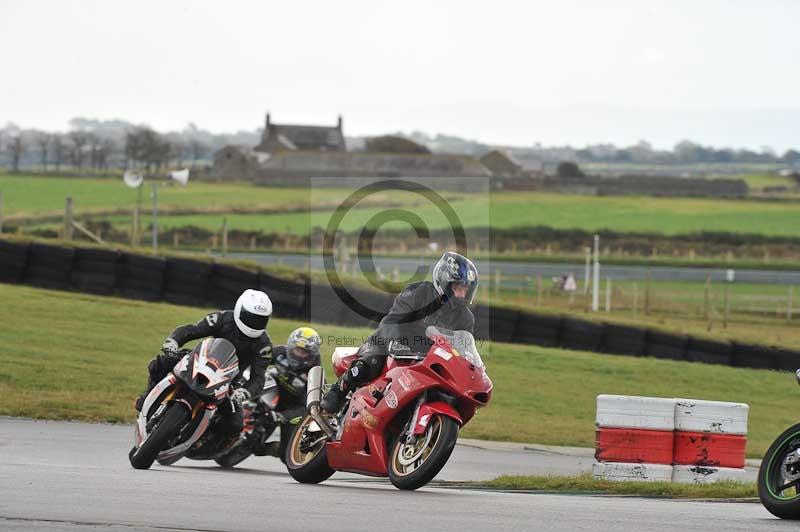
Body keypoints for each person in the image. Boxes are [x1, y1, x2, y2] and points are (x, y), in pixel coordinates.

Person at [320, 251, 478, 414]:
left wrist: (471, 367)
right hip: (391, 345)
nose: (462, 294)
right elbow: (393, 320)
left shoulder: (466, 318)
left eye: (466, 289)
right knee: (370, 363)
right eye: (457, 288)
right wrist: (396, 341)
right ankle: (337, 391)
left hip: (428, 361)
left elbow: (463, 348)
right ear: (444, 282)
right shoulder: (419, 293)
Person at [134, 289, 274, 435]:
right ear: (239, 310)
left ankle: (206, 438)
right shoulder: (222, 318)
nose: (254, 323)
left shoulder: (264, 346)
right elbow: (192, 330)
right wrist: (173, 342)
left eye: (260, 320)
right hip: (199, 360)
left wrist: (243, 392)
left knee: (235, 425)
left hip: (229, 381)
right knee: (161, 363)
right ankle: (147, 398)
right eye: (250, 317)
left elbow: (258, 378)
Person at [252, 326, 322, 457]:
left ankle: (272, 448)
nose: (299, 354)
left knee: (288, 455)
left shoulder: (314, 374)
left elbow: (308, 407)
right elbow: (257, 360)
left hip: (291, 408)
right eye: (297, 349)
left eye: (304, 352)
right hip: (270, 391)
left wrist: (283, 416)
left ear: (311, 354)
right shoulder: (279, 353)